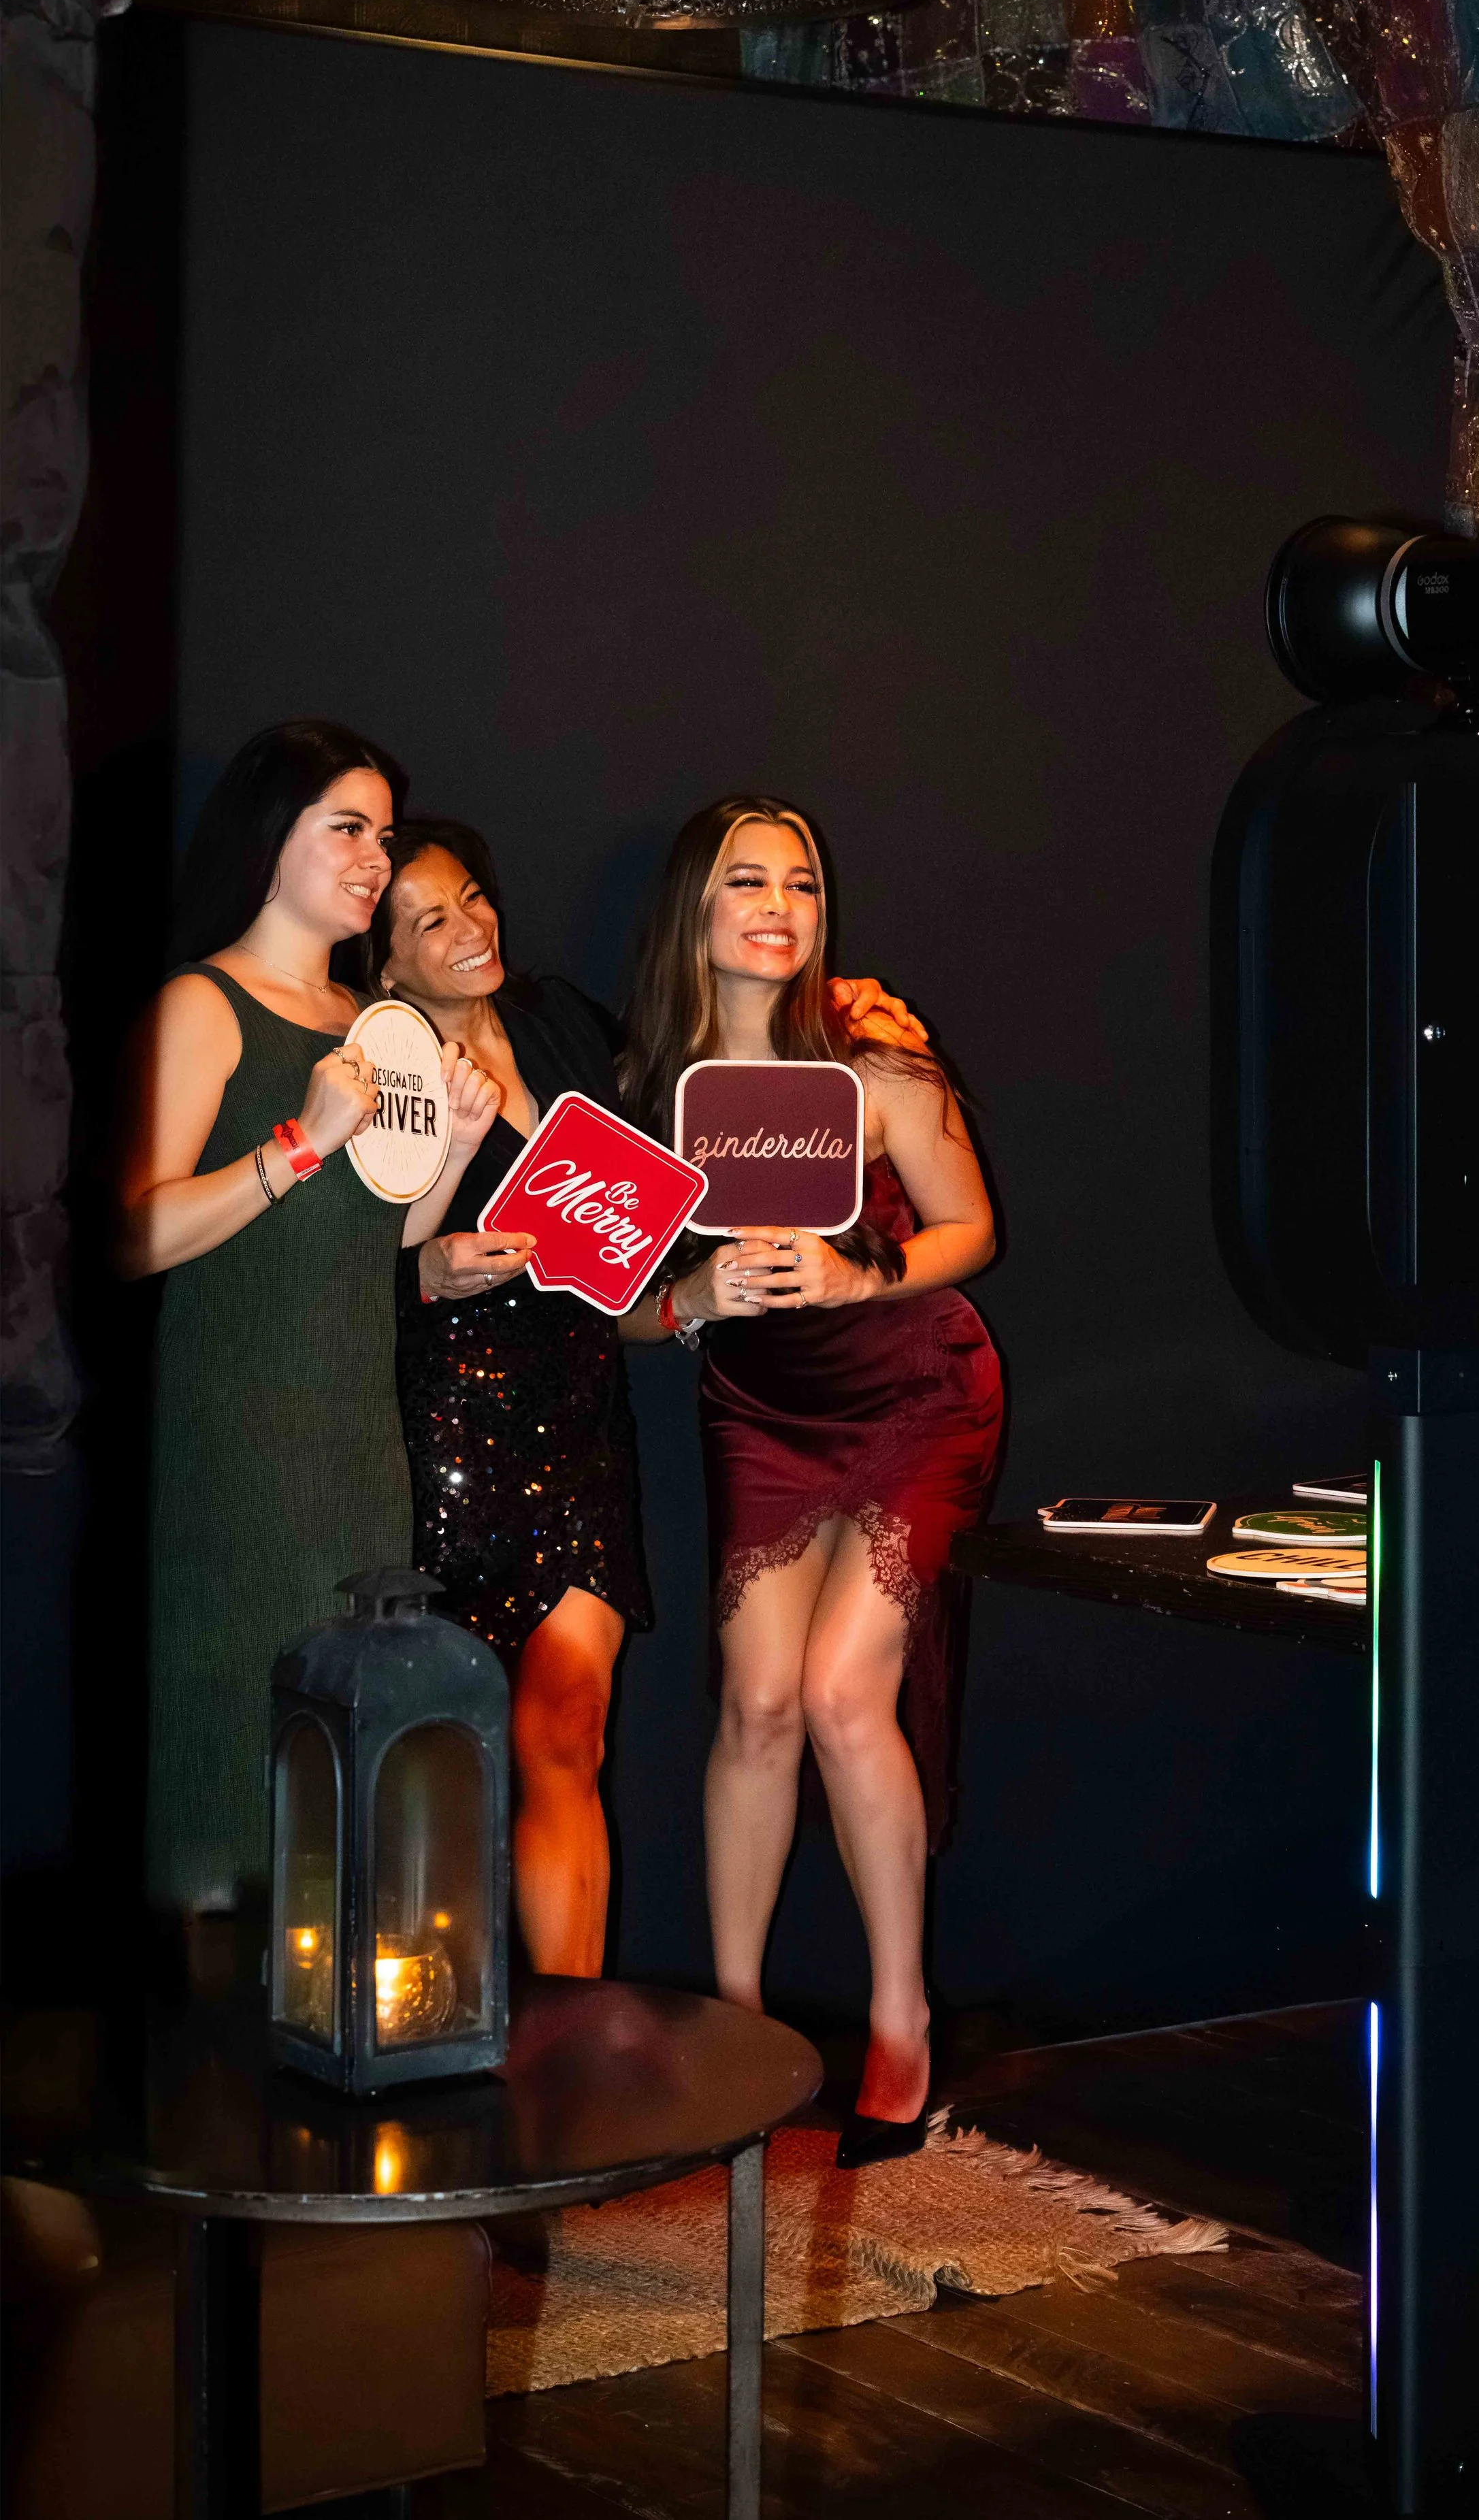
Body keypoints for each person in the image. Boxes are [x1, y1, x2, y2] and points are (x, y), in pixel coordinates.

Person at [365, 815, 930, 1978]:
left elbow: (700, 1075)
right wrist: (419, 1271)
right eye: (428, 919)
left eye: (473, 896)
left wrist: (838, 1009)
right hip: (442, 1435)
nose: (469, 927)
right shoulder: (375, 1075)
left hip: (579, 1420)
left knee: (568, 1726)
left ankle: (566, 2034)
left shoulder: (561, 1022)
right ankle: (441, 2022)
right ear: (383, 966)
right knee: (442, 1747)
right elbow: (317, 1269)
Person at [621, 795, 1003, 2164]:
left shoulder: (874, 1060)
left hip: (917, 1398)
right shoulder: (648, 1096)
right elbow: (616, 1311)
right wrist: (690, 1298)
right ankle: (735, 2031)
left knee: (845, 1693)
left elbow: (972, 1229)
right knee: (759, 1705)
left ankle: (900, 2020)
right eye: (747, 881)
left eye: (801, 884)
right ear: (696, 907)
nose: (779, 906)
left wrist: (855, 1271)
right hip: (762, 1415)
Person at [118, 722, 498, 1919]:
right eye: (348, 827)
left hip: (357, 1448)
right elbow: (132, 1232)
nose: (376, 856)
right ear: (268, 834)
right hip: (237, 1455)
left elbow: (377, 1241)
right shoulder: (204, 1003)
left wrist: (456, 1149)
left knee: (342, 1760)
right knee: (233, 1752)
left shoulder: (371, 1016)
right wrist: (298, 1142)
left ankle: (314, 2011)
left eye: (384, 833)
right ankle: (198, 2006)